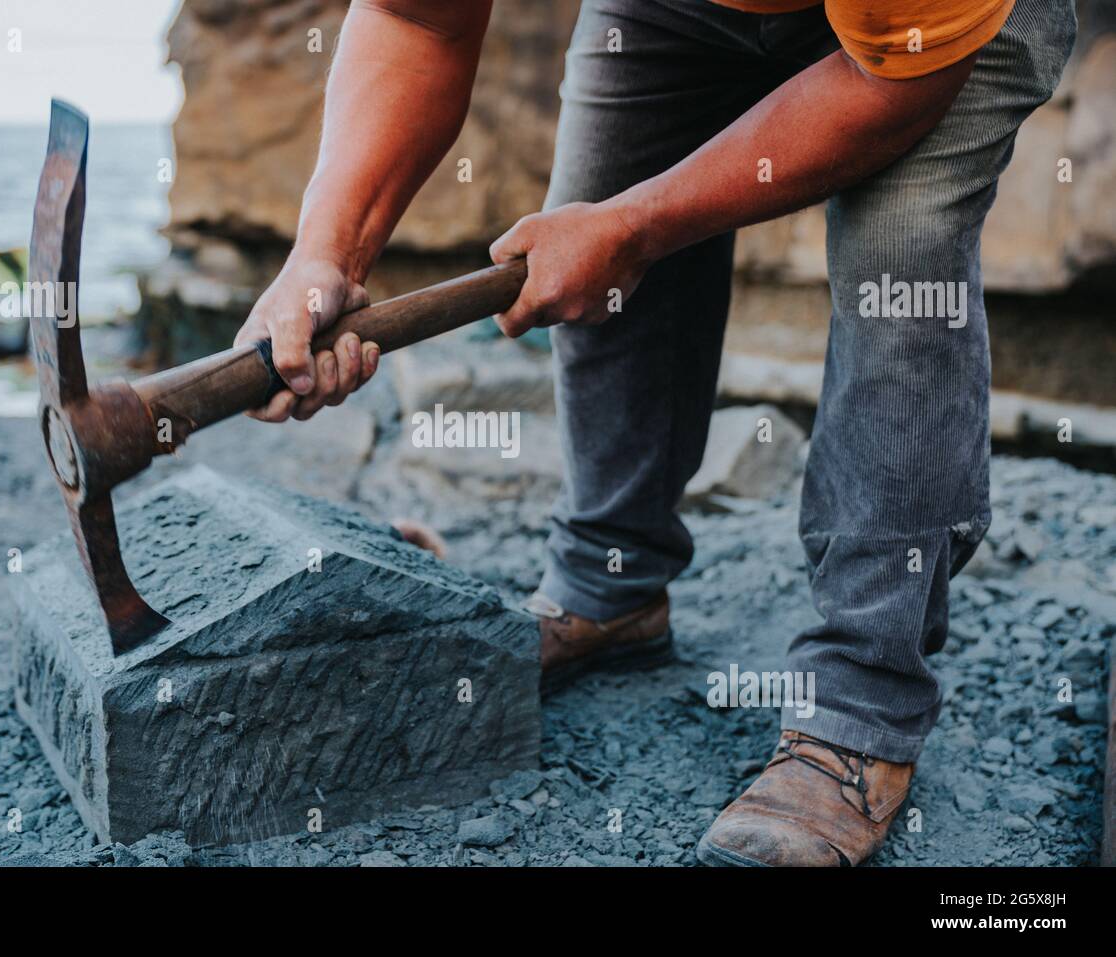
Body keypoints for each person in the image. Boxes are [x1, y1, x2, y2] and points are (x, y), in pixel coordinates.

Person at [233, 0, 1076, 865]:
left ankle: (862, 707)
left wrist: (635, 229)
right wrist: (325, 254)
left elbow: (892, 86)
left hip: (925, 36)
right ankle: (612, 583)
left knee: (902, 270)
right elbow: (417, 23)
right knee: (595, 205)